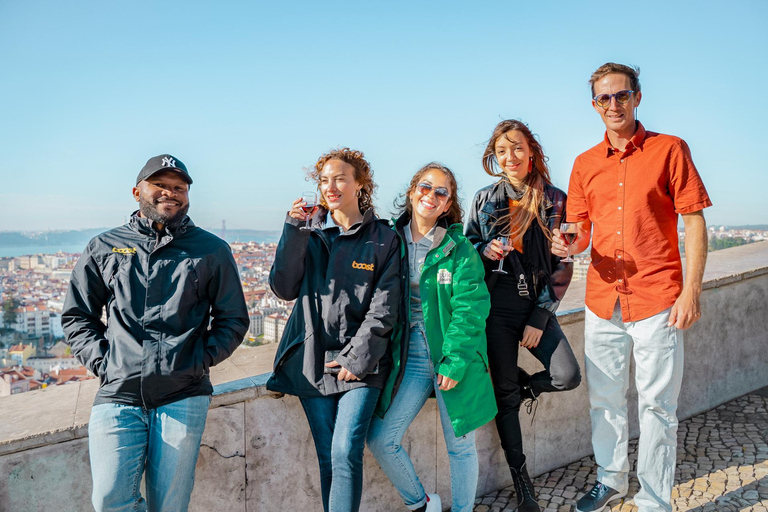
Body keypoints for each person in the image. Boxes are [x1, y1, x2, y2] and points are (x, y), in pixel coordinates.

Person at [552, 63, 711, 512]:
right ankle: (611, 480)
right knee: (604, 401)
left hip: (658, 298)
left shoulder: (670, 149)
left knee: (658, 406)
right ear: (594, 105)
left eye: (621, 95)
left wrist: (691, 291)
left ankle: (655, 499)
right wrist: (567, 244)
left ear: (637, 97)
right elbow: (580, 234)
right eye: (604, 98)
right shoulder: (584, 164)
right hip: (603, 301)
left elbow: (695, 220)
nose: (613, 105)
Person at [62, 154, 250, 512]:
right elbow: (77, 316)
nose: (171, 193)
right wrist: (107, 364)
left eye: (179, 187)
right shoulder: (104, 247)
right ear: (137, 192)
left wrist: (197, 362)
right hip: (118, 391)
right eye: (160, 185)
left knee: (170, 505)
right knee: (108, 500)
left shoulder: (211, 249)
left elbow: (233, 320)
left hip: (184, 393)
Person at [266, 148, 401, 512]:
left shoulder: (384, 238)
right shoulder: (308, 232)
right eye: (324, 180)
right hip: (312, 361)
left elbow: (384, 308)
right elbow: (283, 288)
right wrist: (293, 230)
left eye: (340, 178)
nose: (330, 186)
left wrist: (355, 359)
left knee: (344, 451)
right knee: (328, 458)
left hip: (363, 364)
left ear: (361, 184)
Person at [367, 163, 497, 512]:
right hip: (407, 354)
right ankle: (421, 502)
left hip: (452, 353)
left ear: (447, 203)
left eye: (441, 192)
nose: (431, 196)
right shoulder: (389, 241)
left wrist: (454, 362)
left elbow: (470, 309)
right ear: (412, 192)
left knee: (460, 446)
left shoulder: (459, 249)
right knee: (381, 438)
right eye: (425, 187)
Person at [465, 120, 582, 512]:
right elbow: (467, 249)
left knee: (567, 375)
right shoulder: (484, 199)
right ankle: (522, 482)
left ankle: (525, 387)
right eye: (502, 151)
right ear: (493, 158)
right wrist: (484, 251)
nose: (510, 157)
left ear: (532, 152)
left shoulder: (554, 199)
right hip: (495, 311)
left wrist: (541, 314)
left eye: (517, 148)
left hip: (535, 308)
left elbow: (563, 263)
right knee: (505, 399)